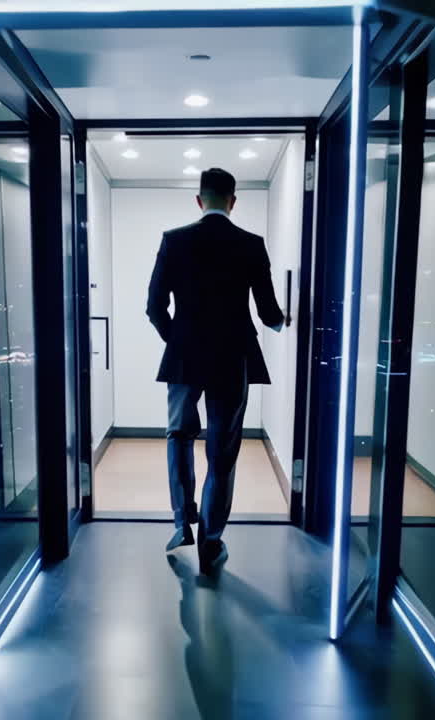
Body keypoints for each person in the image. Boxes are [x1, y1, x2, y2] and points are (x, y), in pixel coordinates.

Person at [146, 167, 284, 574]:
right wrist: (285, 320)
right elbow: (268, 312)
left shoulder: (174, 241)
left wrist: (178, 339)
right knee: (222, 451)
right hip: (232, 357)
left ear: (199, 199)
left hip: (185, 358)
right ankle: (211, 540)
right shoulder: (250, 244)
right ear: (233, 200)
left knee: (178, 436)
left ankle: (179, 521)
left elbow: (155, 308)